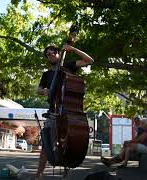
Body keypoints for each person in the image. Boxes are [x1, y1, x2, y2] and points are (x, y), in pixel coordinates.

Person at [35, 44, 94, 179]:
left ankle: (66, 175)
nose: (51, 56)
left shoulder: (69, 67)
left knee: (69, 143)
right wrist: (44, 91)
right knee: (46, 143)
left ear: (58, 54)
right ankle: (39, 174)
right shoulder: (47, 74)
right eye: (48, 55)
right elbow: (39, 90)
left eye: (53, 53)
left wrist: (73, 49)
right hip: (53, 111)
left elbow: (90, 60)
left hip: (67, 112)